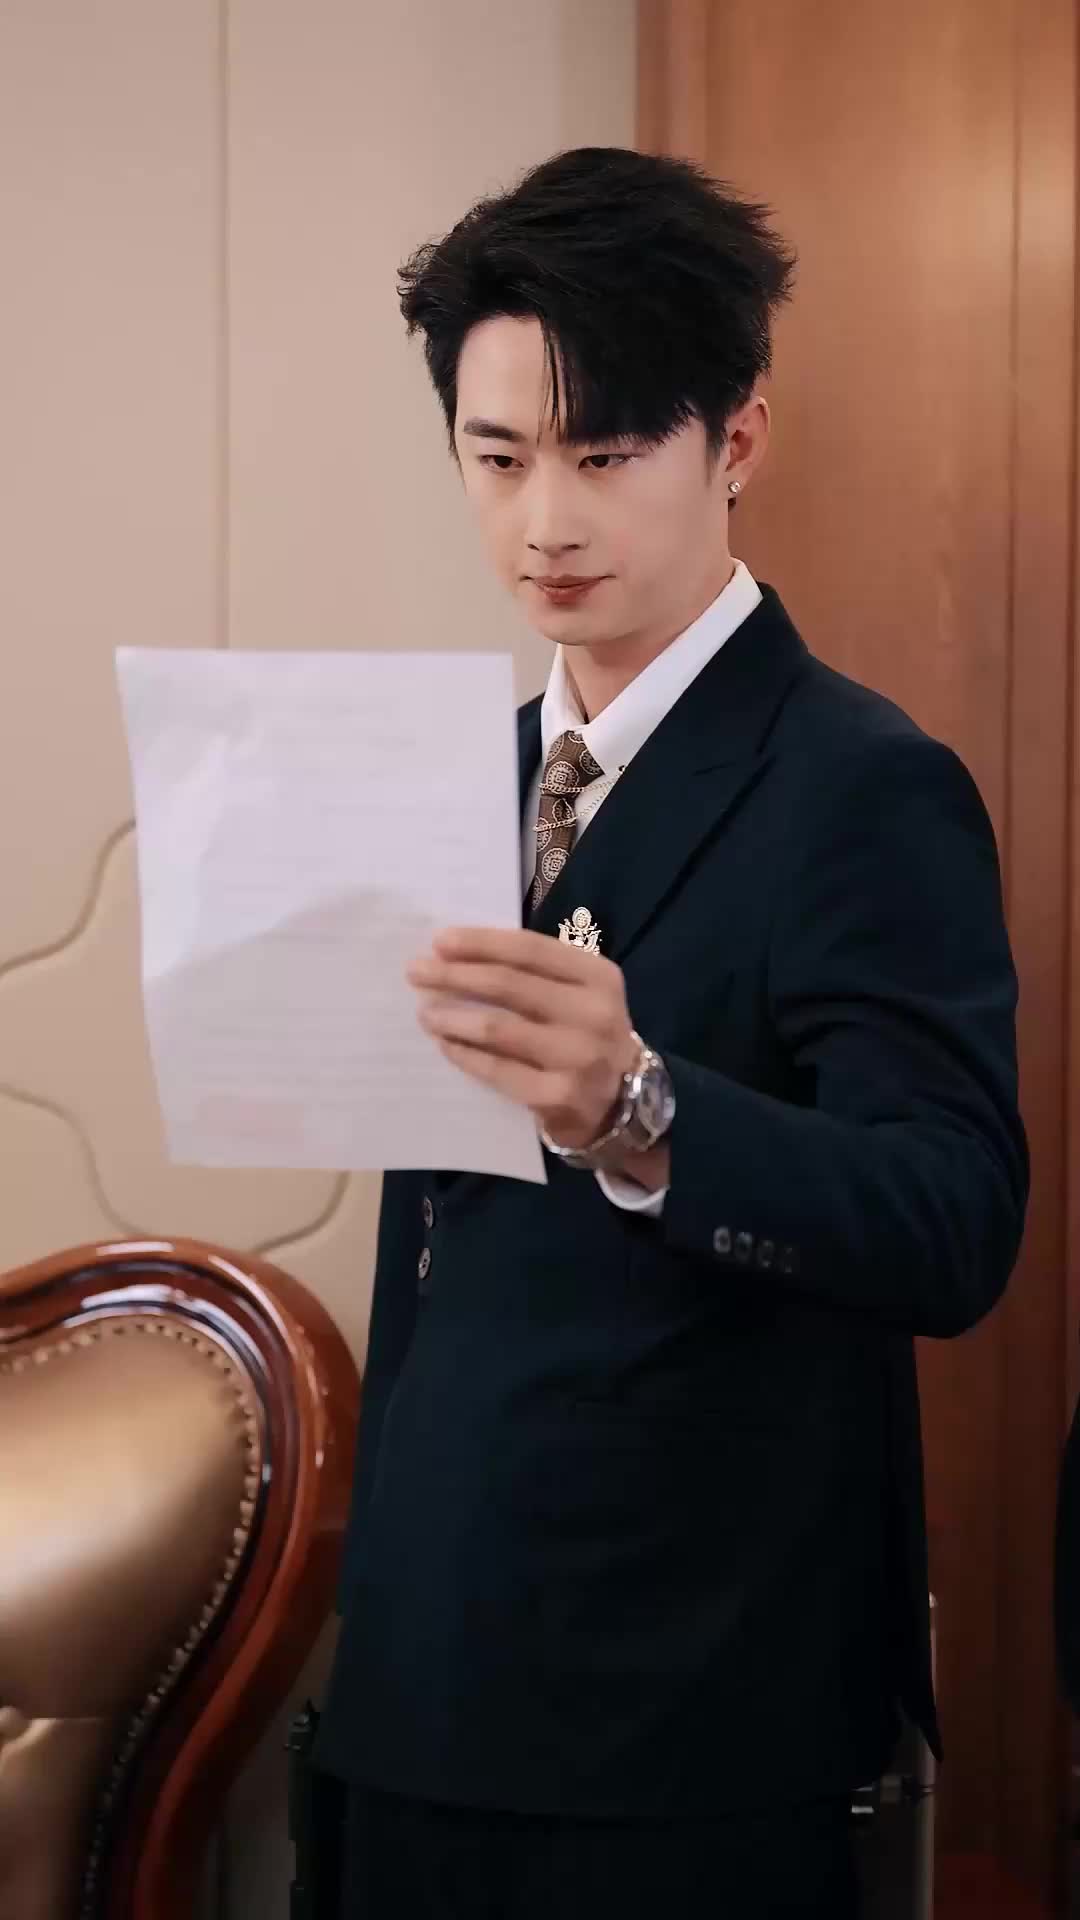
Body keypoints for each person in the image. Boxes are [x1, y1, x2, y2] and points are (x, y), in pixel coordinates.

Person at [313, 146, 1029, 1918]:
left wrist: (643, 1108)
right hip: (420, 1673)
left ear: (737, 441)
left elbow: (953, 1222)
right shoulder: (455, 778)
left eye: (606, 453)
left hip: (692, 1702)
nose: (544, 520)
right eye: (498, 458)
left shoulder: (862, 783)